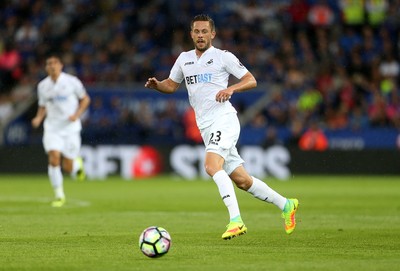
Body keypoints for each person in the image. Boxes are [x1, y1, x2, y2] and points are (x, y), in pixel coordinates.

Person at [145, 14, 299, 240]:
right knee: (242, 181)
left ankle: (236, 221)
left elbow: (251, 79)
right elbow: (171, 84)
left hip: (224, 119)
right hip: (206, 126)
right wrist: (158, 85)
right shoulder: (184, 59)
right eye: (196, 32)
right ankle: (286, 204)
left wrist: (232, 89)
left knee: (210, 165)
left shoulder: (222, 57)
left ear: (212, 34)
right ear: (191, 34)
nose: (200, 35)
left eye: (204, 32)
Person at [32, 54, 90, 207]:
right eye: (48, 63)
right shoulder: (42, 86)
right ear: (46, 67)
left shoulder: (72, 82)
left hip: (70, 128)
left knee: (68, 167)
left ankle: (77, 165)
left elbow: (85, 99)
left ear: (61, 65)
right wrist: (38, 118)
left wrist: (77, 115)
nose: (52, 66)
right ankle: (59, 195)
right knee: (54, 158)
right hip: (52, 128)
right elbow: (43, 105)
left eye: (54, 63)